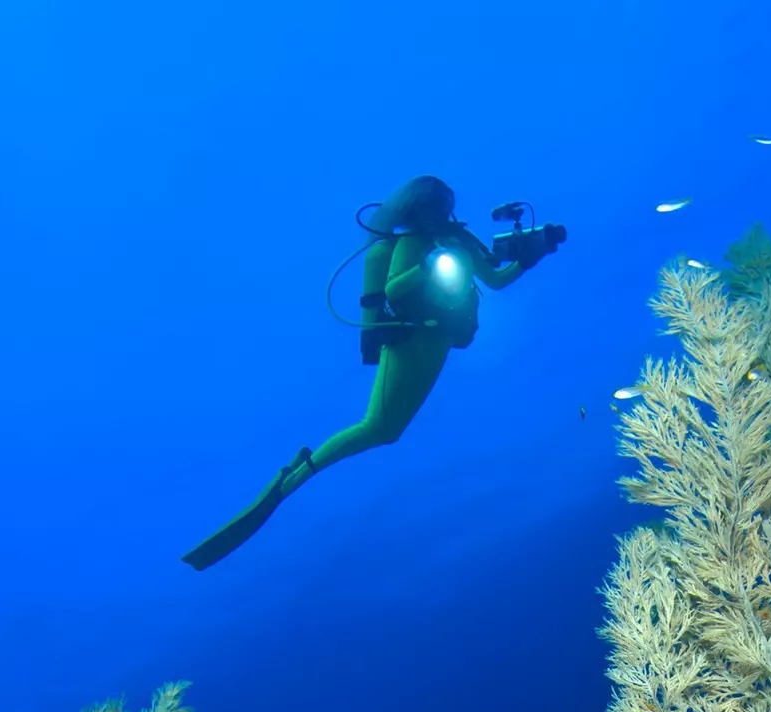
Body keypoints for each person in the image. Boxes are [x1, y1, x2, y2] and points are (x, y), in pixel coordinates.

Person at [183, 176, 558, 570]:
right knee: (374, 426)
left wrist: (533, 255)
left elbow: (495, 280)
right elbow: (395, 289)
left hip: (440, 342)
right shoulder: (412, 244)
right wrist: (429, 266)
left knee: (389, 431)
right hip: (410, 341)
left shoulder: (458, 240)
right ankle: (294, 478)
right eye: (432, 207)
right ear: (414, 210)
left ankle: (299, 469)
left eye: (443, 206)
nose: (440, 214)